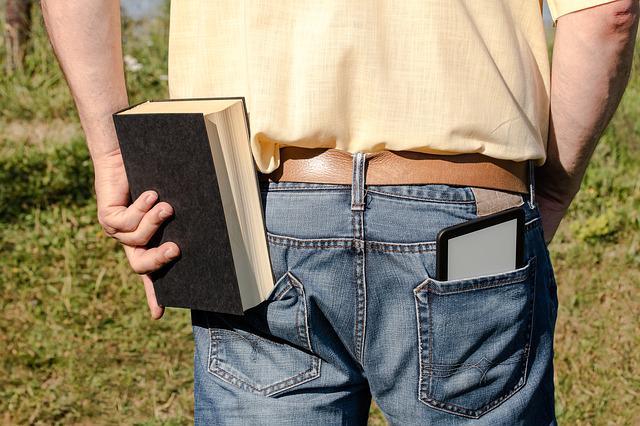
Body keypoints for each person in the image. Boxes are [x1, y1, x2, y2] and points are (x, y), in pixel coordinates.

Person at [42, 0, 638, 424]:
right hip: (472, 223)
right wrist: (552, 192)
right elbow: (606, 16)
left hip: (256, 216)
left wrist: (114, 154)